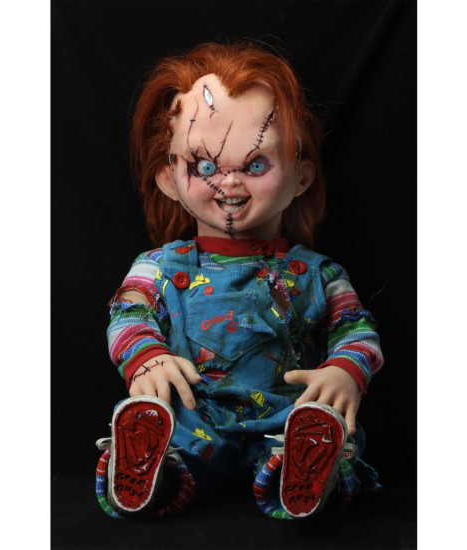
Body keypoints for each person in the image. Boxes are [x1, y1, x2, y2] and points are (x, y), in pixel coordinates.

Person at [95, 41, 384, 520]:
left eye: (255, 165)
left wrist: (345, 371)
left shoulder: (320, 274)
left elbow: (355, 327)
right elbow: (129, 313)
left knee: (327, 432)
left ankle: (308, 468)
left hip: (286, 418)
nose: (228, 183)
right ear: (169, 179)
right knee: (168, 432)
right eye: (204, 167)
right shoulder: (157, 266)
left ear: (301, 178)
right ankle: (152, 468)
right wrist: (145, 358)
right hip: (192, 413)